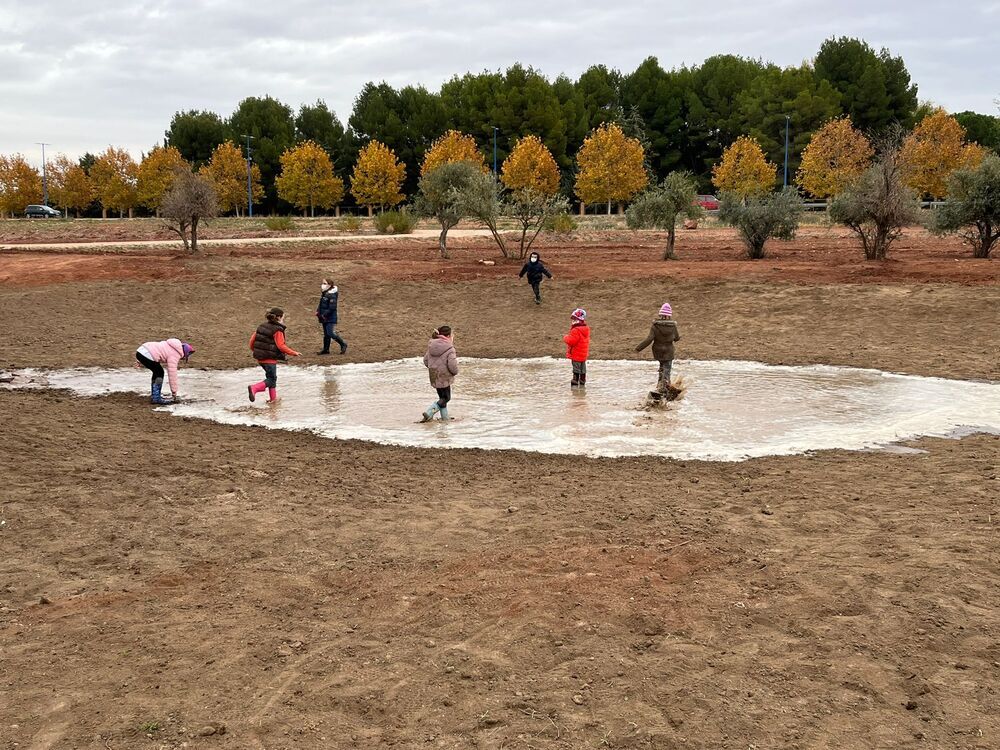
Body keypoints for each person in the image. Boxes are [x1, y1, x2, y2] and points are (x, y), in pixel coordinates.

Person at [247, 307, 300, 404]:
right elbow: (281, 346)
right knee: (271, 379)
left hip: (260, 358)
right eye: (283, 317)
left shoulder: (261, 326)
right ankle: (254, 388)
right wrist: (293, 353)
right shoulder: (278, 329)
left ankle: (273, 400)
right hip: (270, 359)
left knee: (271, 378)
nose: (283, 319)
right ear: (279, 318)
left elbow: (251, 341)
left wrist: (256, 351)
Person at [635, 302, 681, 395]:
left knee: (661, 368)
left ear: (660, 314)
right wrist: (678, 338)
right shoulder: (673, 326)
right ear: (669, 316)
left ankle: (660, 386)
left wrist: (638, 348)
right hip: (669, 351)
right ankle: (665, 389)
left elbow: (649, 339)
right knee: (667, 370)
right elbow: (676, 338)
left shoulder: (655, 326)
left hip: (658, 351)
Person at [135, 338, 194, 404]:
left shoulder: (172, 345)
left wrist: (140, 360)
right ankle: (156, 398)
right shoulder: (175, 354)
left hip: (141, 351)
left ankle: (155, 395)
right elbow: (172, 374)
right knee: (159, 372)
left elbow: (153, 349)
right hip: (147, 354)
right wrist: (174, 392)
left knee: (157, 371)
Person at [421, 325, 459, 422]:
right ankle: (429, 412)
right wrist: (455, 372)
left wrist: (433, 368)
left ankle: (445, 418)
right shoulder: (450, 349)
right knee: (447, 398)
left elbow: (425, 360)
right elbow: (452, 365)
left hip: (434, 375)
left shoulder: (431, 345)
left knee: (442, 398)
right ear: (448, 336)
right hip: (444, 376)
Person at [316, 277, 348, 355]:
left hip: (330, 317)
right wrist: (318, 311)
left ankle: (343, 344)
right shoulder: (325, 293)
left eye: (324, 283)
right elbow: (321, 304)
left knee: (330, 333)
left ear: (329, 285)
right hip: (323, 316)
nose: (322, 285)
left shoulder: (332, 294)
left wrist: (324, 314)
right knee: (326, 334)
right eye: (322, 283)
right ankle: (326, 349)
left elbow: (332, 308)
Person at [563, 308, 590, 388]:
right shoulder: (586, 329)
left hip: (576, 354)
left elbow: (572, 341)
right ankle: (582, 382)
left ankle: (575, 382)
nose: (572, 321)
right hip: (583, 354)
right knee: (582, 368)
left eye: (574, 319)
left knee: (576, 369)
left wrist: (565, 337)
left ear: (578, 320)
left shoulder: (575, 330)